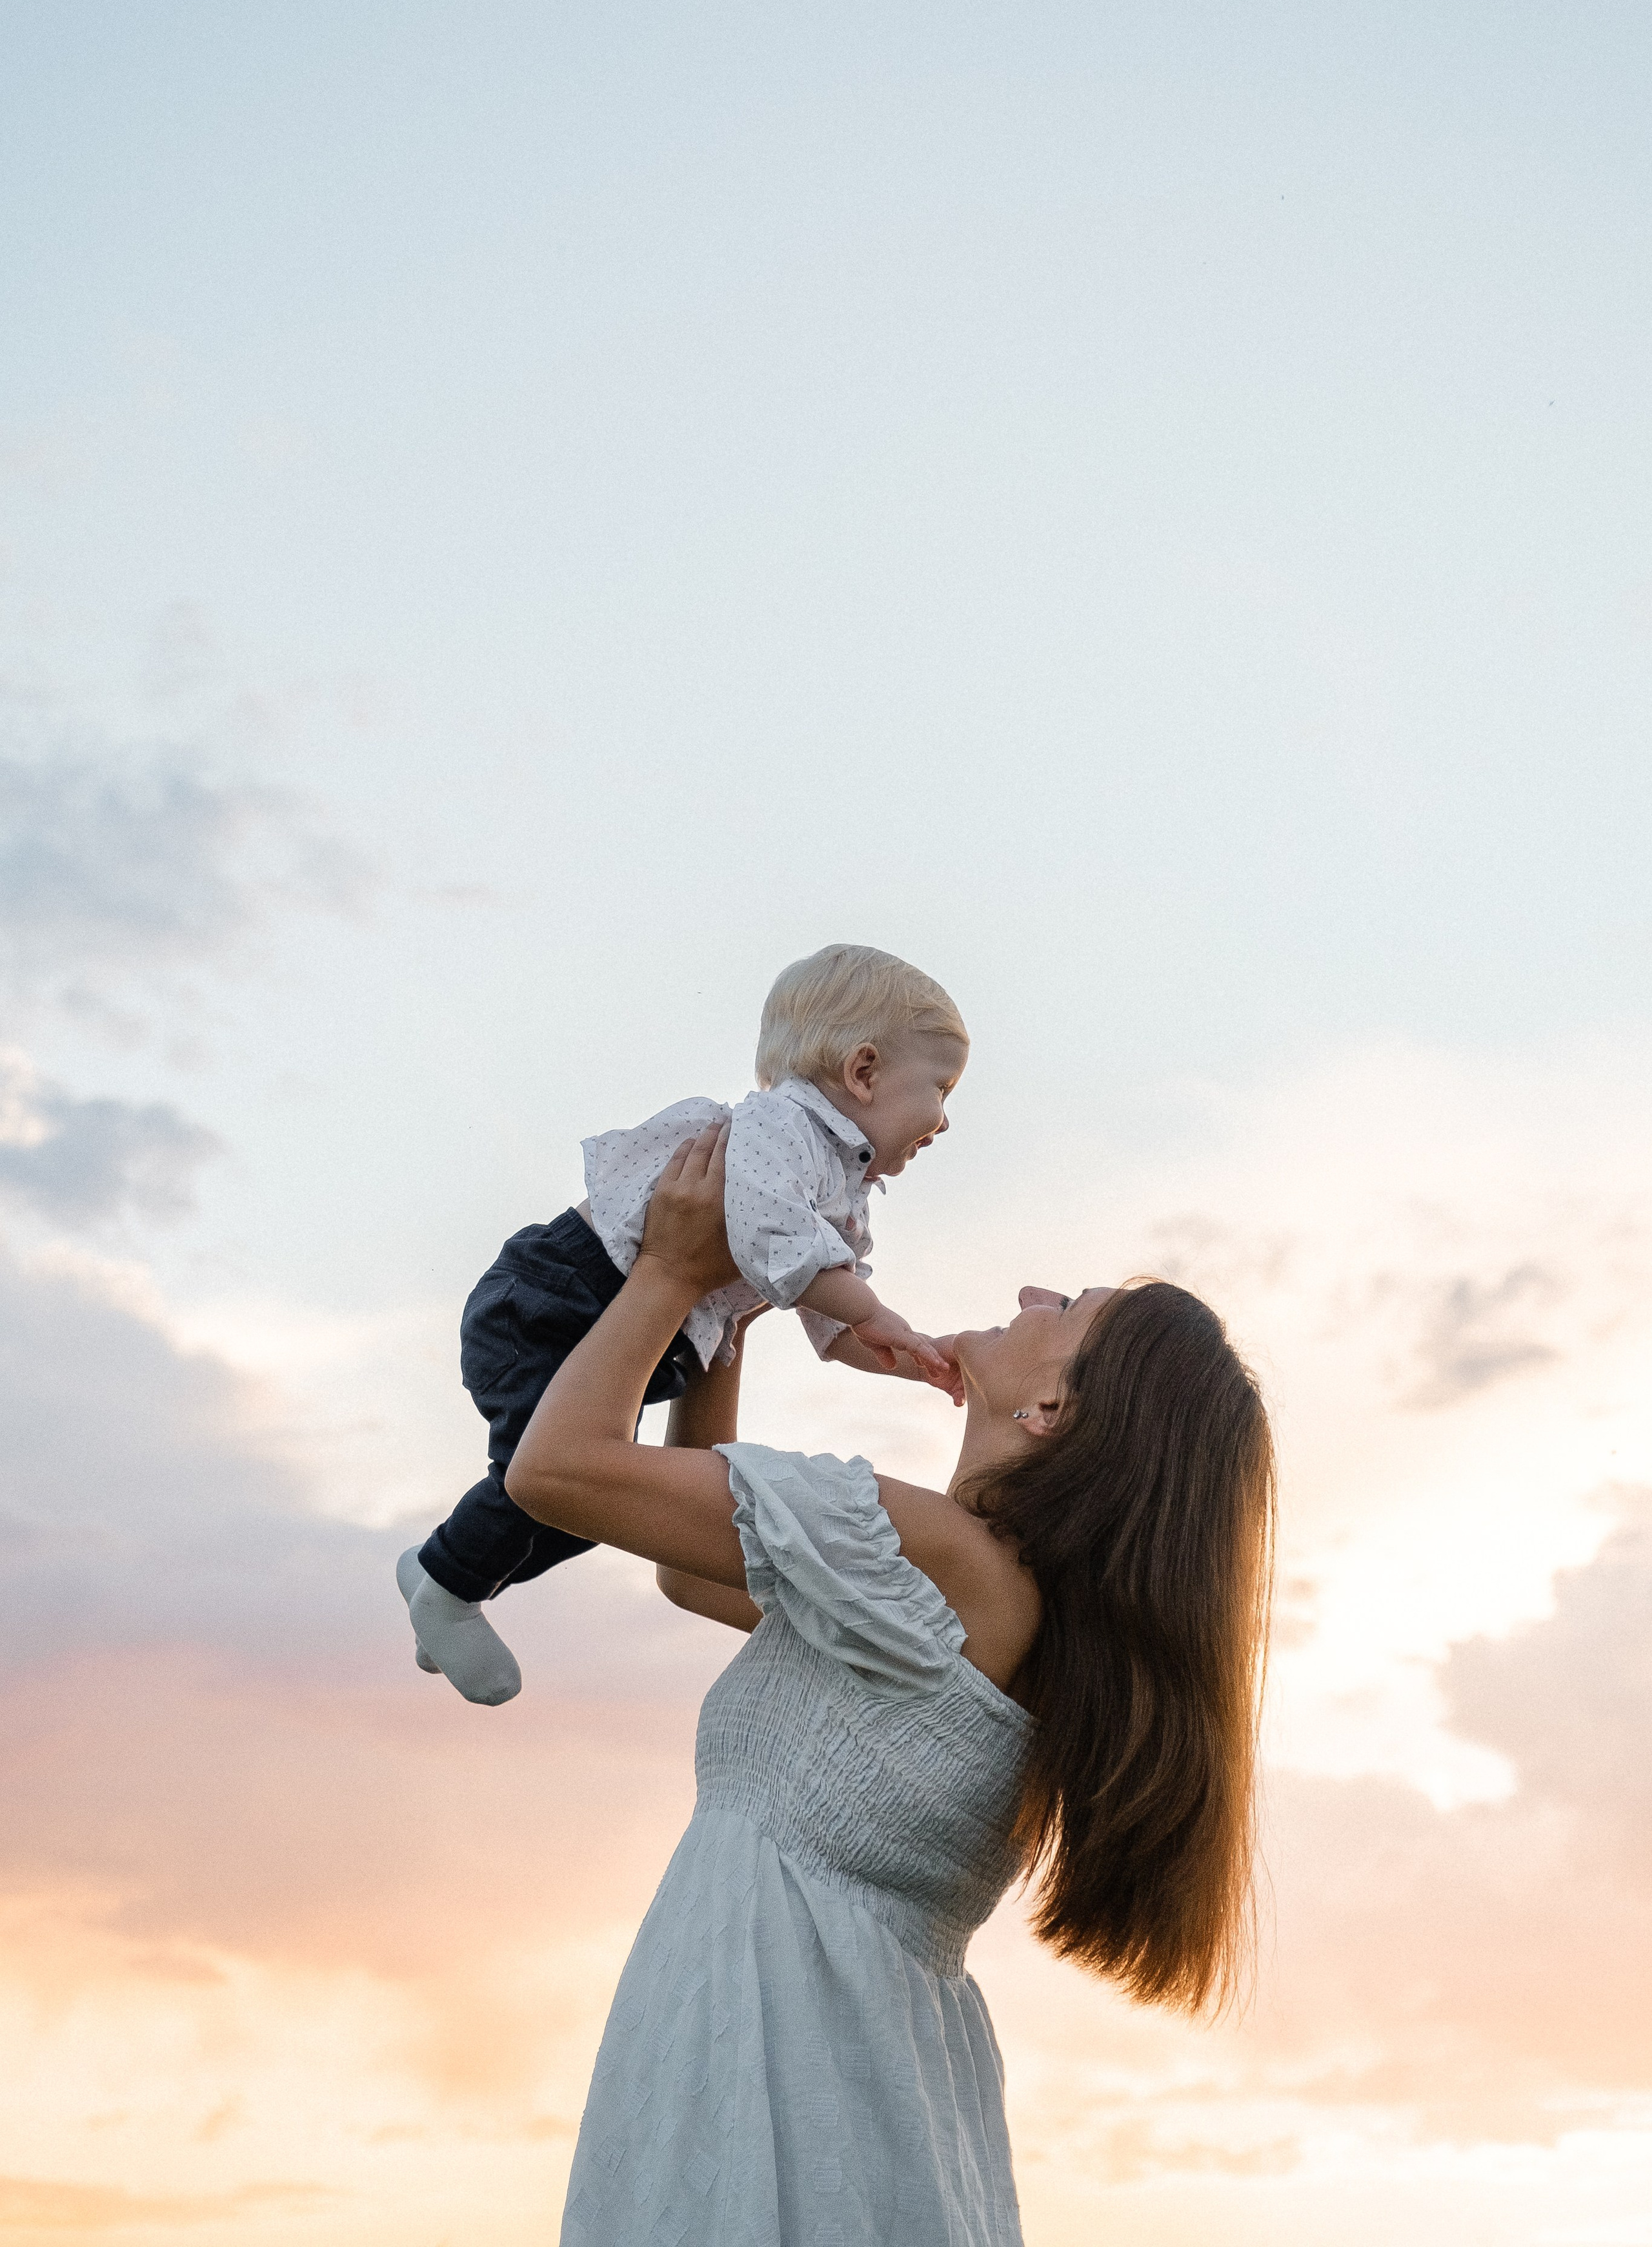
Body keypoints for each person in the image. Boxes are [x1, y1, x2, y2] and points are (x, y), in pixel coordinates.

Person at [504, 1124, 1278, 2247]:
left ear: (1055, 1410)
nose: (1028, 1291)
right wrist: (725, 1323)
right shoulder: (992, 1605)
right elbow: (682, 1565)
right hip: (855, 2080)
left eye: (1065, 1309)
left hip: (773, 2054)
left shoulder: (943, 1557)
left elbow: (558, 1469)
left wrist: (673, 1274)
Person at [398, 944, 970, 1704]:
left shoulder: (845, 1194)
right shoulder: (779, 1126)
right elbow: (772, 1241)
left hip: (627, 1330)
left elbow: (832, 1322)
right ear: (863, 1072)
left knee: (591, 1506)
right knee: (553, 1476)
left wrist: (910, 1355)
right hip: (554, 1301)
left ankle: (448, 1570)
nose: (946, 1119)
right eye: (940, 1087)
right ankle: (445, 1582)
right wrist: (875, 1311)